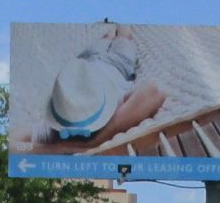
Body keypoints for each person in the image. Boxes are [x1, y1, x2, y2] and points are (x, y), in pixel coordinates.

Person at [14, 23, 165, 152]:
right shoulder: (115, 109)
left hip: (85, 64)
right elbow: (154, 91)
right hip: (118, 63)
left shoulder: (56, 130)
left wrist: (82, 144)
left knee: (108, 36)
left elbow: (13, 140)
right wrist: (93, 141)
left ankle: (112, 23)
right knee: (122, 36)